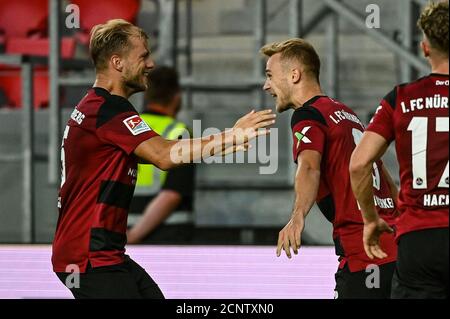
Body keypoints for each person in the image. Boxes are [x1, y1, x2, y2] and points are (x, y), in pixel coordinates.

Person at [51, 19, 276, 299]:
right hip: (89, 257)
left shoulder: (101, 107)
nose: (151, 64)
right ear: (118, 63)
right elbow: (164, 155)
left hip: (102, 252)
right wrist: (229, 136)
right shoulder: (107, 109)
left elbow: (158, 151)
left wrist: (224, 145)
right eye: (143, 55)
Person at [261, 38, 399, 299]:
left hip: (365, 254)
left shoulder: (307, 115)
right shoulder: (347, 114)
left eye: (270, 75)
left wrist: (298, 215)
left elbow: (309, 167)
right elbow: (387, 181)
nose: (266, 85)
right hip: (397, 250)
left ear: (294, 74)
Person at [349, 1, 448, 299]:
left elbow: (358, 164)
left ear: (425, 48)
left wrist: (370, 219)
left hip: (419, 241)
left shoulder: (401, 98)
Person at [127, 65, 195, 244]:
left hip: (122, 234)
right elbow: (172, 194)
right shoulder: (180, 132)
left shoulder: (130, 128)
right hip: (168, 237)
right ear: (177, 97)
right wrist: (134, 235)